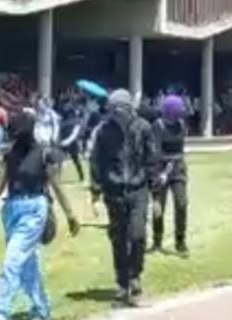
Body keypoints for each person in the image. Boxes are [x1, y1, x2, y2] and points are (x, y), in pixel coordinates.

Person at [0, 111, 80, 320]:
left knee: (12, 260)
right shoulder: (10, 154)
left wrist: (70, 215)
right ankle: (41, 309)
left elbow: (56, 186)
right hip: (10, 210)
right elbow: (1, 182)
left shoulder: (44, 153)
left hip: (34, 209)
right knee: (27, 263)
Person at [89, 88, 156, 306]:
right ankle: (122, 284)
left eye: (120, 108)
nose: (116, 113)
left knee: (137, 235)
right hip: (114, 190)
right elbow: (96, 161)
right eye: (113, 109)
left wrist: (155, 193)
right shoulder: (104, 131)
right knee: (118, 239)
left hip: (138, 189)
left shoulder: (144, 128)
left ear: (129, 108)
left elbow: (151, 159)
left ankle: (135, 276)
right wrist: (96, 190)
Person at [148, 94, 189, 257]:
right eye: (179, 110)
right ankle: (157, 241)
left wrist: (174, 163)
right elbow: (156, 153)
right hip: (160, 171)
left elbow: (180, 151)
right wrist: (159, 174)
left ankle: (180, 240)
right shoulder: (157, 126)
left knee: (182, 203)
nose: (182, 112)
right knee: (159, 208)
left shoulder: (181, 125)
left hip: (178, 170)